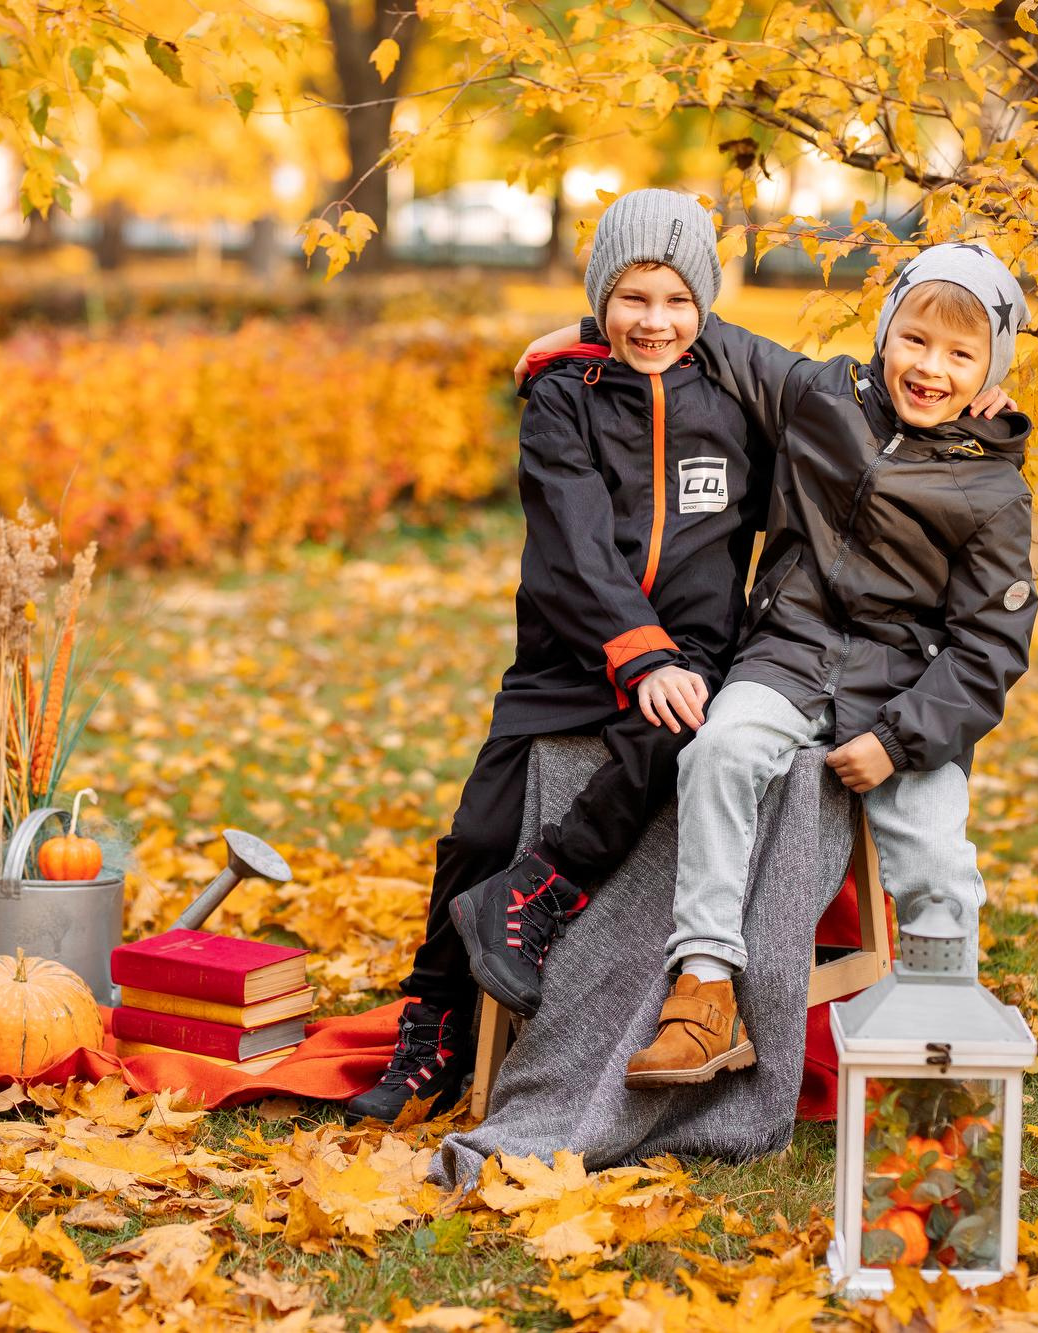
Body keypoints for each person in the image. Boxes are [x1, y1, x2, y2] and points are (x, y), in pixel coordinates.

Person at [346, 188, 768, 1123]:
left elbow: (841, 405)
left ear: (705, 304)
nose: (654, 321)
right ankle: (436, 1027)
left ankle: (542, 888)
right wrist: (636, 653)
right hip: (572, 648)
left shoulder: (740, 396)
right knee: (478, 829)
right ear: (598, 297)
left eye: (675, 300)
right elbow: (574, 545)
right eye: (632, 298)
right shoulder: (560, 395)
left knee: (679, 729)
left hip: (694, 650)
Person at [612, 242, 1038, 1087]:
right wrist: (577, 334)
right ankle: (705, 989)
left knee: (936, 860)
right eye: (916, 340)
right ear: (885, 332)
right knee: (720, 752)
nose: (931, 368)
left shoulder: (993, 493)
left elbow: (990, 647)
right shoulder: (822, 399)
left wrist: (901, 740)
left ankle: (941, 1050)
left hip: (906, 693)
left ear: (992, 371)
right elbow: (711, 335)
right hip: (791, 650)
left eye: (962, 355)